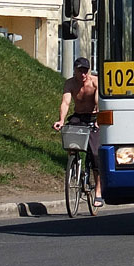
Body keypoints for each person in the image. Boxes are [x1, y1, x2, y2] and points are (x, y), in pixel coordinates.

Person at [53, 56, 103, 207]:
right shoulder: (70, 83)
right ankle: (74, 165)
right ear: (74, 70)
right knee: (70, 139)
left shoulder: (95, 82)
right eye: (80, 70)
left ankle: (99, 192)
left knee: (95, 154)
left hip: (94, 117)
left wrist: (98, 120)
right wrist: (61, 120)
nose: (83, 74)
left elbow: (98, 102)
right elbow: (65, 102)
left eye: (85, 71)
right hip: (78, 117)